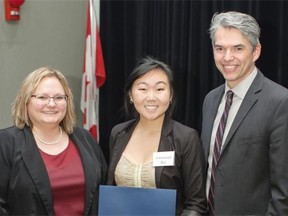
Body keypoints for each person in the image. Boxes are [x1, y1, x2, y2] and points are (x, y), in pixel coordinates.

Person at [201, 11, 288, 215]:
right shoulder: (210, 100)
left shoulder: (280, 102)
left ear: (255, 51)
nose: (227, 57)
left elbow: (283, 193)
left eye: (238, 48)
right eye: (220, 49)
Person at [106, 57, 207, 215]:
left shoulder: (186, 138)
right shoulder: (118, 133)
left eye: (160, 89)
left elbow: (196, 204)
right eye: (142, 89)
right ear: (131, 96)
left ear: (171, 94)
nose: (151, 97)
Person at [0, 66, 107, 215]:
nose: (51, 104)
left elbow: (103, 192)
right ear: (25, 101)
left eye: (58, 98)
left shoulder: (85, 139)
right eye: (42, 97)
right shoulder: (5, 143)